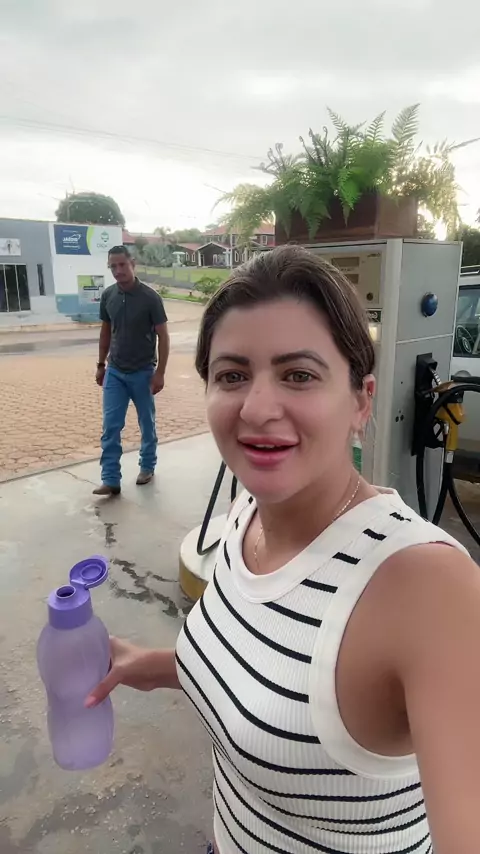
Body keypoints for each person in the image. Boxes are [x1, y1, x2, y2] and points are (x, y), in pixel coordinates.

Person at [86, 246, 480, 854]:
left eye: (298, 375)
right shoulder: (246, 516)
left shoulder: (427, 586)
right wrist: (158, 665)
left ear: (361, 400)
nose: (257, 408)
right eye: (232, 375)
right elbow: (270, 678)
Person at [93, 245, 170, 496]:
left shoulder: (150, 298)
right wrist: (101, 365)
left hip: (143, 372)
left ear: (132, 263)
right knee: (111, 426)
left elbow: (163, 336)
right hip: (115, 371)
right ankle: (110, 479)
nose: (118, 270)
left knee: (146, 423)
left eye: (122, 265)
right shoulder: (108, 296)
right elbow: (106, 332)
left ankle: (147, 467)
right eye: (113, 266)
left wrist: (160, 373)